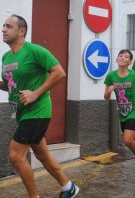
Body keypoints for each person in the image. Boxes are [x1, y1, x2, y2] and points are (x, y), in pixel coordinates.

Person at [1, 14, 79, 198]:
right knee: (42, 155)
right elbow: (9, 85)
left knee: (15, 156)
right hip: (22, 112)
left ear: (22, 31)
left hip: (38, 111)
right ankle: (69, 188)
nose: (3, 29)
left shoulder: (35, 50)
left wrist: (35, 93)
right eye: (3, 25)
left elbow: (59, 73)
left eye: (9, 26)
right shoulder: (6, 57)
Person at [104, 49, 135, 177]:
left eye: (126, 57)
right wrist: (109, 91)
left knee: (128, 140)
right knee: (134, 138)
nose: (123, 58)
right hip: (123, 112)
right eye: (121, 55)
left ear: (130, 62)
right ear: (117, 59)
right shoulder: (111, 76)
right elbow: (106, 97)